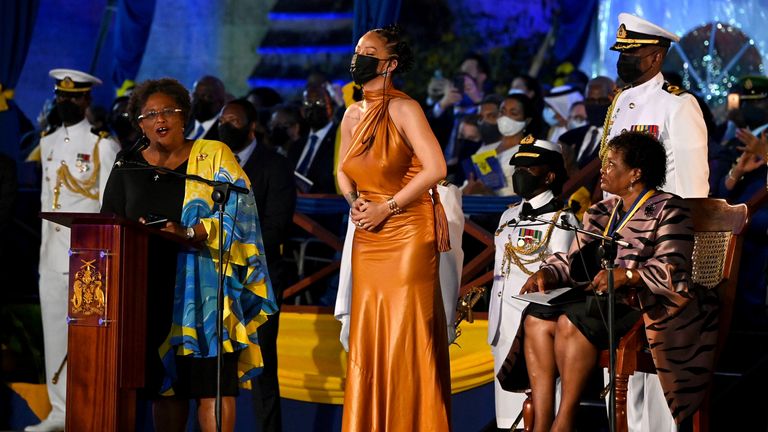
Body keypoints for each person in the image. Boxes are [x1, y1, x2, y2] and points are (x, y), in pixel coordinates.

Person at [498, 131, 718, 432]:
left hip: (645, 305)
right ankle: (542, 421)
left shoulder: (668, 208)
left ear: (635, 174)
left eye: (612, 164)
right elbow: (575, 260)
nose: (603, 170)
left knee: (569, 321)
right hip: (599, 302)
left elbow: (672, 268)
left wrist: (628, 275)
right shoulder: (602, 211)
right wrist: (548, 272)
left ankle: (565, 421)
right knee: (536, 319)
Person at [100, 78, 277, 432]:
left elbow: (242, 211)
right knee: (166, 388)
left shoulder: (214, 155)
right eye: (149, 114)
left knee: (211, 388)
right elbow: (110, 221)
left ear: (185, 116)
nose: (159, 118)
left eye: (168, 110)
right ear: (139, 123)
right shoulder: (128, 163)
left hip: (206, 293)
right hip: (149, 288)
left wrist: (193, 231)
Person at [336, 25, 451, 430]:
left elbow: (437, 168)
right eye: (356, 50)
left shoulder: (405, 108)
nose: (357, 57)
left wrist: (387, 206)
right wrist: (356, 204)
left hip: (406, 232)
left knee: (404, 329)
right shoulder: (352, 113)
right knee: (370, 330)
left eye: (368, 51)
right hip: (368, 232)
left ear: (390, 64)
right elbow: (343, 172)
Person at [599, 14, 710, 431]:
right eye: (622, 53)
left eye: (634, 53)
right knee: (615, 363)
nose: (624, 61)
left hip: (662, 250)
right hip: (618, 241)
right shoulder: (620, 102)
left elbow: (693, 188)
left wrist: (683, 256)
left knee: (657, 366)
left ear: (656, 56)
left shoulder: (678, 104)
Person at [26, 69, 120, 432]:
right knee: (53, 333)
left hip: (87, 258)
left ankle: (88, 410)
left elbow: (108, 207)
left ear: (86, 100)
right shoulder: (47, 142)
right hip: (50, 255)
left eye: (73, 97)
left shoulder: (102, 146)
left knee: (89, 337)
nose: (65, 102)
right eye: (61, 97)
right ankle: (60, 412)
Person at [487, 136, 577, 430]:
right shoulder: (509, 213)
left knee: (541, 414)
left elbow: (564, 276)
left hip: (536, 328)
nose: (519, 175)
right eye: (517, 168)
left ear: (550, 175)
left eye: (529, 168)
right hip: (502, 324)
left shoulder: (563, 219)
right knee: (505, 418)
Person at [217, 98, 296, 432]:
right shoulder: (212, 164)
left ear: (252, 128)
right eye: (222, 120)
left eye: (233, 121)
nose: (224, 126)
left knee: (262, 365)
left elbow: (277, 224)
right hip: (216, 277)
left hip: (259, 278)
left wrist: (231, 239)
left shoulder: (274, 166)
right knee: (217, 367)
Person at [287, 85, 339, 194]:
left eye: (320, 103)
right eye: (308, 103)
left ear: (331, 108)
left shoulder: (339, 141)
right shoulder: (296, 145)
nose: (314, 107)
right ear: (302, 111)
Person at [186, 75, 227, 141]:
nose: (198, 100)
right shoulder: (186, 122)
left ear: (220, 102)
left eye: (206, 96)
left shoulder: (224, 132)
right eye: (195, 95)